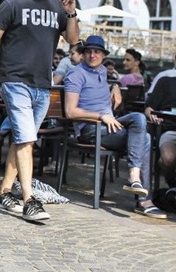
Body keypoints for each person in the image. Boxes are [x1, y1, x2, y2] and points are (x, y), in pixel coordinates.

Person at [0, 0, 79, 221]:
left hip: (43, 84)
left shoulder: (58, 7)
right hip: (14, 80)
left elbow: (72, 39)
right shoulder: (14, 1)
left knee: (23, 139)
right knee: (27, 139)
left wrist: (71, 13)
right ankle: (29, 199)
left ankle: (4, 192)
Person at [64, 36, 165, 219]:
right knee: (144, 135)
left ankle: (136, 180)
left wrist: (115, 87)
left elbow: (104, 86)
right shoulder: (75, 74)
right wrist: (101, 116)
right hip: (90, 130)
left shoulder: (102, 71)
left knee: (141, 123)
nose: (92, 55)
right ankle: (144, 200)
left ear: (103, 55)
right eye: (89, 51)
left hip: (108, 126)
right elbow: (70, 112)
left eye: (97, 51)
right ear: (83, 53)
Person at [144, 74, 176, 205]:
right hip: (170, 129)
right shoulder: (165, 82)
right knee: (167, 158)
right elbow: (149, 108)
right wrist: (152, 116)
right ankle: (173, 183)